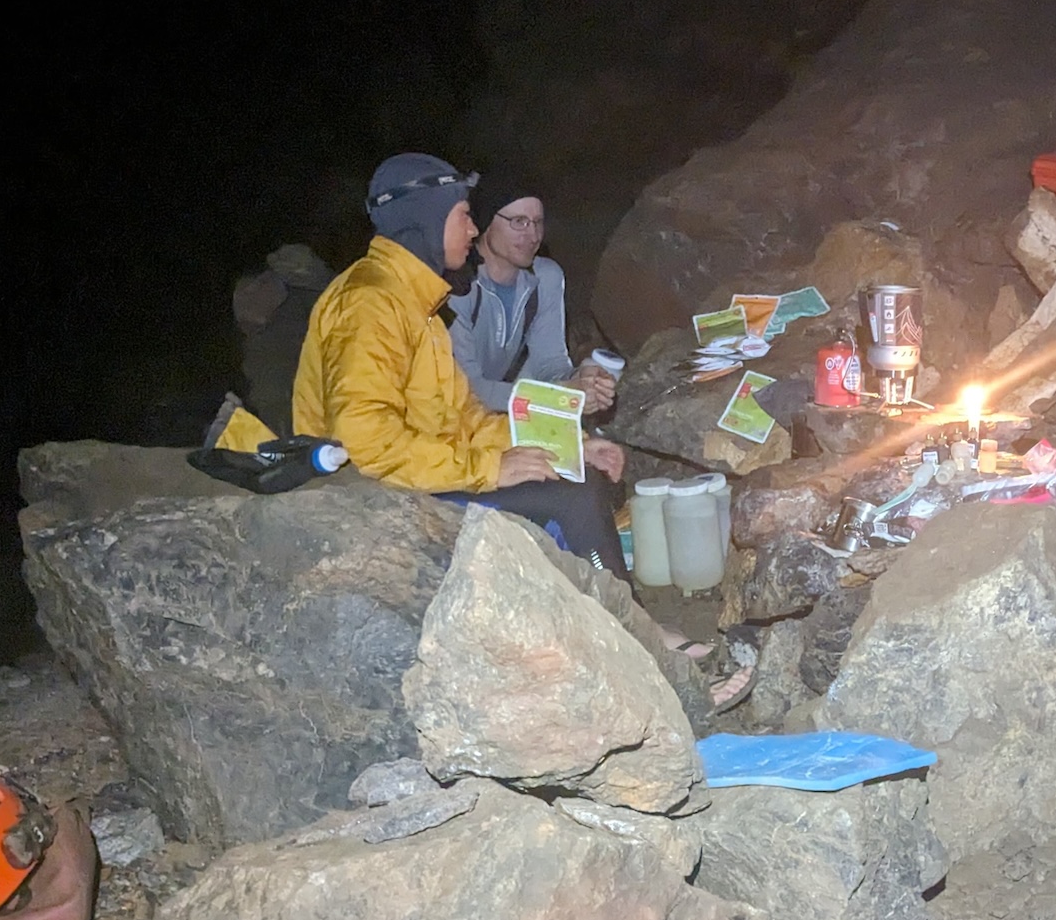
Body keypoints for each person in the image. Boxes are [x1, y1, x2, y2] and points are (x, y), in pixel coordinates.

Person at [293, 153, 746, 716]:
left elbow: (461, 420)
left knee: (573, 471)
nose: (472, 227)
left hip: (418, 467)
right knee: (569, 498)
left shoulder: (412, 300)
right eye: (463, 214)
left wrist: (562, 444)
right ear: (426, 220)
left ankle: (619, 632)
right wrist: (488, 469)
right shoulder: (372, 304)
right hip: (375, 491)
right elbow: (364, 443)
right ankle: (644, 648)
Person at [449, 191, 617, 420]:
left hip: (494, 415)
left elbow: (549, 365)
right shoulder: (457, 285)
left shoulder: (545, 278)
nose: (534, 235)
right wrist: (558, 398)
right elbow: (466, 388)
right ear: (486, 222)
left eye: (538, 222)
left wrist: (582, 379)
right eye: (519, 222)